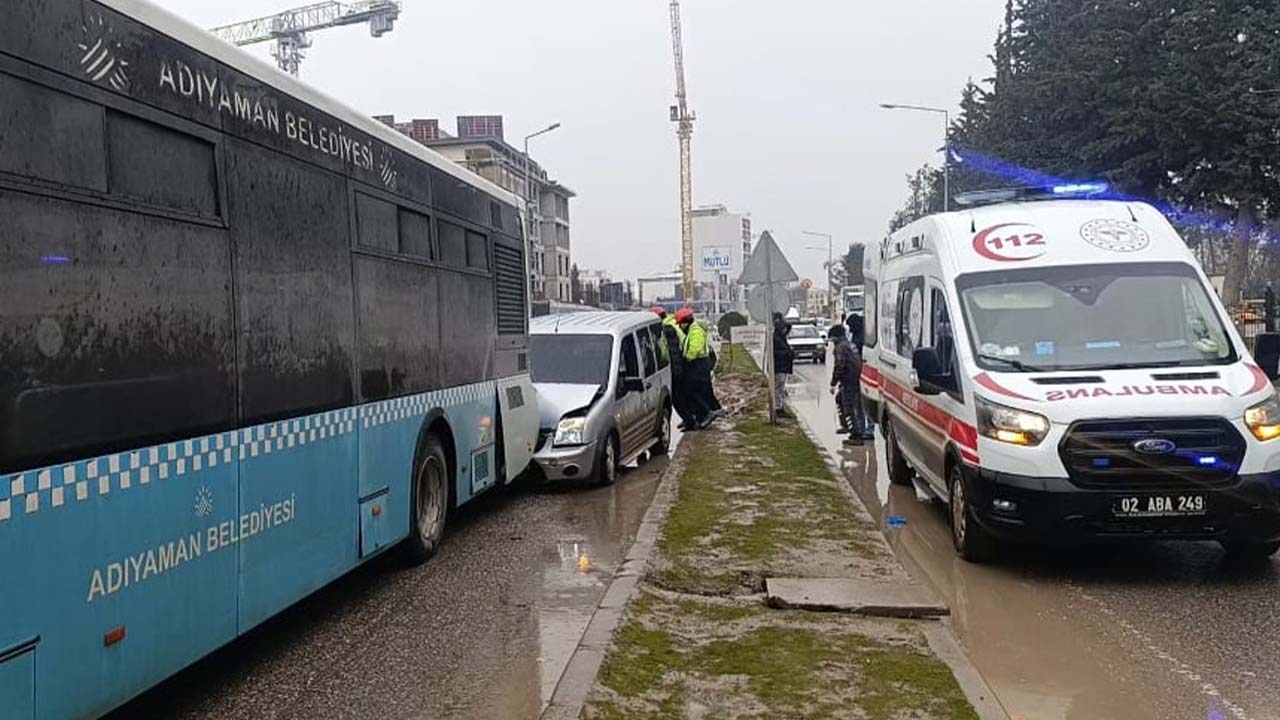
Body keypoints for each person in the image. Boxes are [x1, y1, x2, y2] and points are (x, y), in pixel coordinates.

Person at [677, 308, 721, 428]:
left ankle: (707, 413)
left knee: (693, 391)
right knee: (699, 391)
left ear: (686, 322)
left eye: (681, 324)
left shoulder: (696, 330)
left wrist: (686, 359)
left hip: (698, 365)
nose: (680, 327)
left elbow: (695, 349)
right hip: (698, 365)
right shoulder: (692, 330)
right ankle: (701, 416)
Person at [653, 307, 694, 431]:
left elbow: (672, 353)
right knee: (681, 396)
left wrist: (673, 371)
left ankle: (689, 421)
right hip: (679, 367)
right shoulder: (671, 325)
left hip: (676, 369)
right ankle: (689, 419)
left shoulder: (667, 329)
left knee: (677, 398)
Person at [828, 324, 862, 444]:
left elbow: (839, 366)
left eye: (832, 340)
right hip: (853, 378)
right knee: (840, 400)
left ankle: (856, 435)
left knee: (849, 407)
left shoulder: (840, 348)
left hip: (848, 380)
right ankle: (846, 425)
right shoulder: (849, 344)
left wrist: (833, 383)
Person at [846, 313, 873, 439]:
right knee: (859, 403)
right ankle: (862, 429)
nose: (850, 329)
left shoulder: (862, 337)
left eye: (850, 326)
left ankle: (869, 429)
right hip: (858, 371)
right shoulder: (857, 334)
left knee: (864, 401)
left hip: (864, 371)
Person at [771, 312, 794, 418]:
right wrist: (786, 353)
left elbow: (789, 326)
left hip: (783, 366)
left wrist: (781, 319)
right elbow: (774, 352)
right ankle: (777, 408)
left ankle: (779, 407)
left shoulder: (782, 338)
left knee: (780, 388)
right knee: (778, 387)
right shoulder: (775, 338)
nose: (786, 331)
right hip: (779, 366)